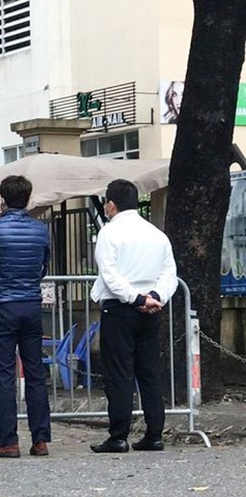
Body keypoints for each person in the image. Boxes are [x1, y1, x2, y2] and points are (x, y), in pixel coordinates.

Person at [89, 179, 177, 454]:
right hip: (151, 311)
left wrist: (135, 298)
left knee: (119, 374)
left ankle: (118, 435)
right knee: (149, 372)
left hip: (119, 308)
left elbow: (110, 275)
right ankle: (154, 433)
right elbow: (169, 274)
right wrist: (155, 297)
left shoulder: (110, 233)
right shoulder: (156, 234)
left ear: (111, 204)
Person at [0, 175, 51, 459]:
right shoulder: (40, 230)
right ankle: (40, 438)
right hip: (32, 305)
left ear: (3, 201)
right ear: (29, 200)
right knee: (35, 374)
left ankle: (8, 440)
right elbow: (44, 266)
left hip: (2, 307)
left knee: (4, 375)